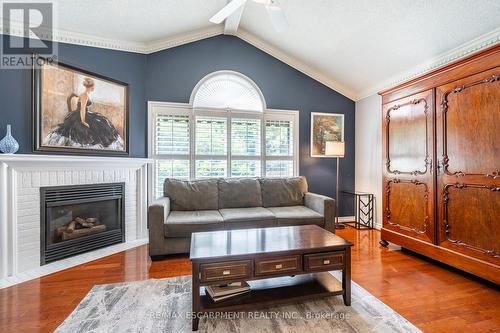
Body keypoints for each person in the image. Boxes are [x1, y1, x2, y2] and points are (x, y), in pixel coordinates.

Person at [45, 77, 124, 149]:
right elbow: (82, 109)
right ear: (90, 86)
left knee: (102, 125)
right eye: (93, 86)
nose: (94, 88)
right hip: (82, 115)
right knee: (82, 132)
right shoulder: (84, 96)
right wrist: (83, 121)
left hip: (87, 114)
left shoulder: (87, 95)